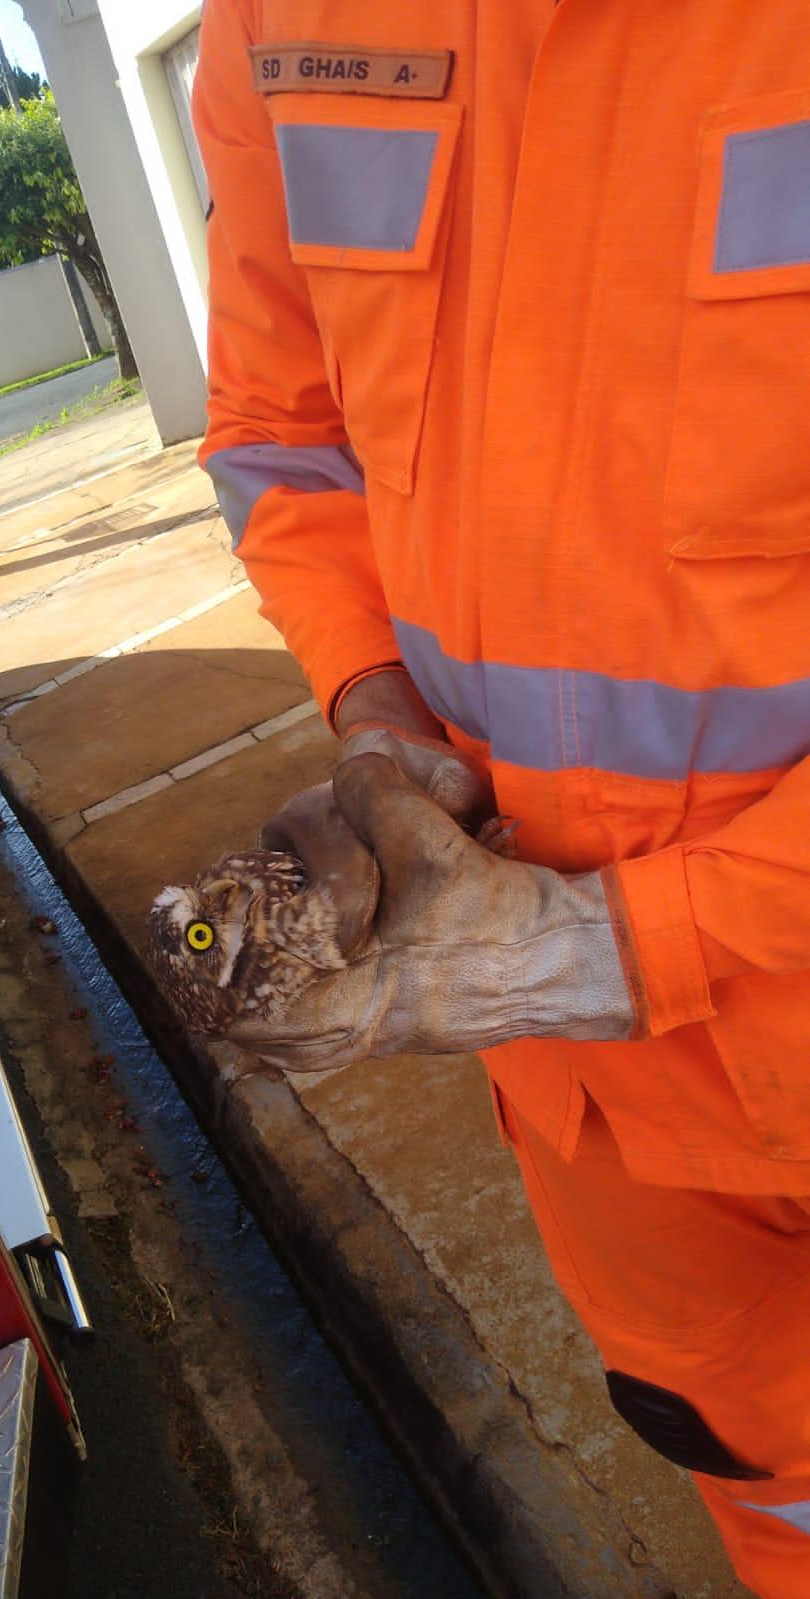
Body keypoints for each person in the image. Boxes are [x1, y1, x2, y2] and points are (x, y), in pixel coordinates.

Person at [192, 8, 810, 1595]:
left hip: (697, 984)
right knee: (764, 1476)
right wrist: (377, 715)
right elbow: (286, 433)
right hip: (597, 1116)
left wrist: (632, 939)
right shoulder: (287, 22)